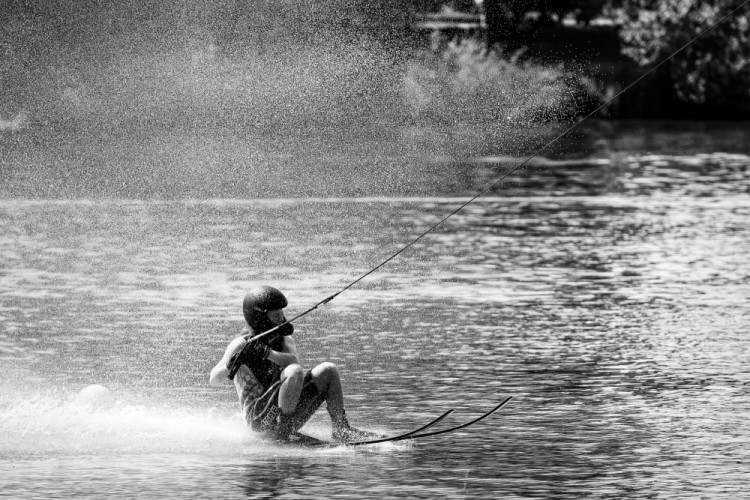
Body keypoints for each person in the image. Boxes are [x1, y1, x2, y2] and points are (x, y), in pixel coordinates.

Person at [209, 285, 378, 443]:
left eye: (281, 313)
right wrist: (232, 364)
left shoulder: (284, 340)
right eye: (276, 315)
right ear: (260, 317)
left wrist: (267, 353)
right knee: (294, 371)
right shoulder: (241, 344)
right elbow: (213, 380)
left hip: (285, 415)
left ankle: (341, 430)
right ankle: (283, 435)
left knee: (328, 369)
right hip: (259, 419)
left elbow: (294, 363)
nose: (281, 318)